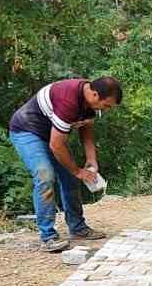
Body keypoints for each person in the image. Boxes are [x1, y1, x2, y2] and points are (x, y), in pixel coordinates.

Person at [8, 76, 121, 252]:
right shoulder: (68, 100)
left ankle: (78, 228)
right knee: (45, 175)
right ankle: (48, 237)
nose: (106, 110)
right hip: (27, 131)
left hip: (52, 135)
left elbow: (86, 130)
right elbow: (56, 145)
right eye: (106, 105)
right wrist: (78, 171)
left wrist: (91, 160)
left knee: (69, 178)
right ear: (95, 94)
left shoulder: (90, 102)